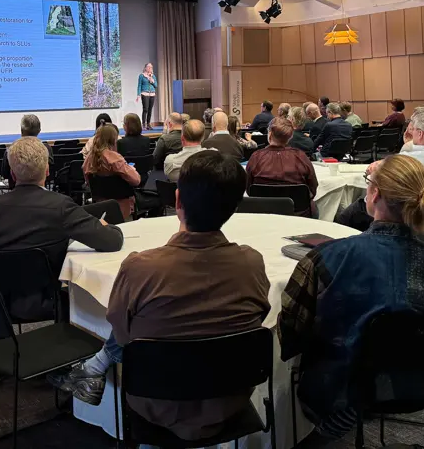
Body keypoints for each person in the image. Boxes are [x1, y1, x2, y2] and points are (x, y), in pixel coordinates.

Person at [48, 150, 270, 441]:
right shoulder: (252, 264)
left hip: (155, 404)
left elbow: (122, 332)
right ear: (235, 207)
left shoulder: (141, 267)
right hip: (229, 402)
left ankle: (93, 368)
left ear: (177, 201)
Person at [279, 154, 424, 445]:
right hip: (417, 379)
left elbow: (292, 332)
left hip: (337, 384)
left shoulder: (326, 258)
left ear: (375, 193)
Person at [0, 136, 124, 320]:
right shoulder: (61, 207)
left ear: (12, 175)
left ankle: (1, 338)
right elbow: (112, 241)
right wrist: (104, 225)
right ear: (47, 171)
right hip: (45, 301)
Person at [245, 118, 318, 214]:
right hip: (298, 213)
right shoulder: (301, 157)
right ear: (290, 136)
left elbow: (248, 189)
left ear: (270, 134)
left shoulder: (256, 157)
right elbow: (313, 188)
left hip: (262, 212)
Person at [84, 123, 142, 219]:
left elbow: (87, 181)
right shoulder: (115, 159)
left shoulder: (89, 159)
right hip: (121, 208)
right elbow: (136, 181)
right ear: (113, 139)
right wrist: (131, 170)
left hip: (99, 208)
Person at [136, 62, 157, 130]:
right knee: (145, 109)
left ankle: (148, 124)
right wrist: (138, 94)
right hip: (144, 94)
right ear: (145, 68)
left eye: (151, 67)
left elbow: (156, 86)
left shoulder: (153, 76)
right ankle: (143, 124)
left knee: (150, 110)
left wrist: (152, 80)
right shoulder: (141, 76)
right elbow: (139, 85)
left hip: (152, 94)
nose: (150, 68)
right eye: (148, 67)